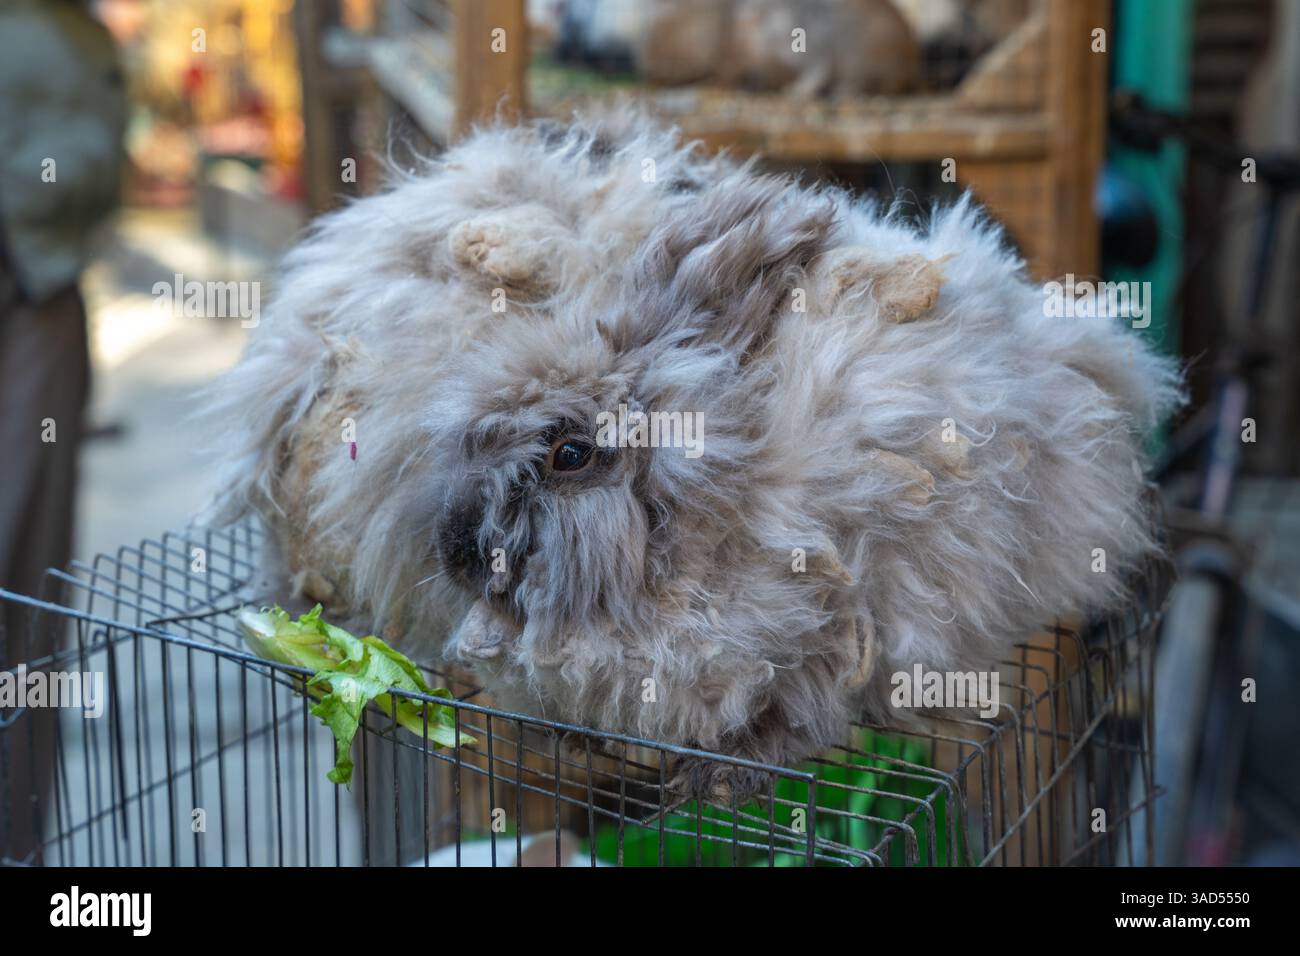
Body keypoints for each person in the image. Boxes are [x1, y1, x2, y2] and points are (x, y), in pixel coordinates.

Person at [0, 0, 126, 864]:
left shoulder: (59, 31)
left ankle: (16, 842)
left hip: (32, 292)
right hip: (24, 289)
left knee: (25, 599)